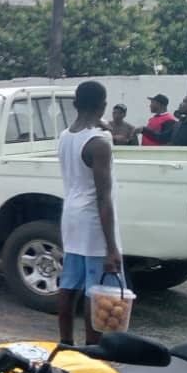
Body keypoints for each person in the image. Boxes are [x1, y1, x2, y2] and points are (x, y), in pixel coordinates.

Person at [57, 81, 124, 346]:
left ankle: (65, 344)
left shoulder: (66, 136)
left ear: (76, 104)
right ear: (103, 105)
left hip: (71, 216)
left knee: (69, 284)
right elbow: (103, 197)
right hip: (94, 222)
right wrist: (112, 248)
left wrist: (102, 125)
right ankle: (92, 351)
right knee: (97, 292)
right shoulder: (99, 144)